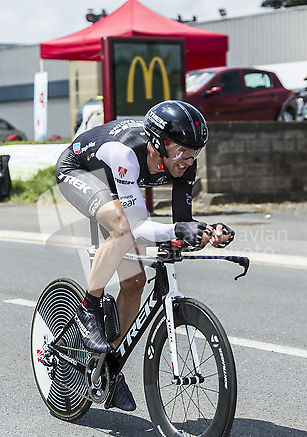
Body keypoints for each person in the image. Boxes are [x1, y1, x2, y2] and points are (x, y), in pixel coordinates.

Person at [55, 100, 235, 411]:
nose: (189, 159)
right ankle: (88, 308)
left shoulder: (183, 163)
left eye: (195, 151)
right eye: (182, 150)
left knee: (136, 281)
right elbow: (137, 226)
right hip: (82, 171)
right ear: (159, 142)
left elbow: (182, 222)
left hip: (118, 185)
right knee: (122, 230)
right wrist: (178, 230)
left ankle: (107, 367)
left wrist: (207, 231)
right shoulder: (126, 153)